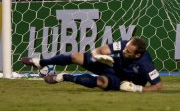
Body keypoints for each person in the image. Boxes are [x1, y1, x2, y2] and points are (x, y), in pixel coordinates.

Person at [21, 37, 163, 92]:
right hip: (110, 66)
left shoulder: (146, 64)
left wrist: (137, 88)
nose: (124, 50)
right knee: (76, 56)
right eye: (125, 48)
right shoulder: (124, 45)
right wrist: (98, 55)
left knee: (101, 82)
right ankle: (41, 62)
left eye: (128, 51)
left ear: (137, 55)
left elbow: (158, 86)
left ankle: (64, 77)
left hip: (121, 80)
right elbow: (102, 49)